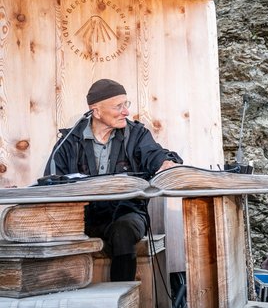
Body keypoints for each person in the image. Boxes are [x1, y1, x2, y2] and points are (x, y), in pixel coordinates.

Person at [44, 78, 182, 281]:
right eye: (119, 106)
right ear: (96, 111)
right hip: (82, 218)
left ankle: (122, 299)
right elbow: (51, 181)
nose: (126, 111)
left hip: (127, 213)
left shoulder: (136, 134)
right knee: (54, 231)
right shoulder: (69, 141)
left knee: (123, 231)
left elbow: (154, 155)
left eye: (127, 104)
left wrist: (165, 164)